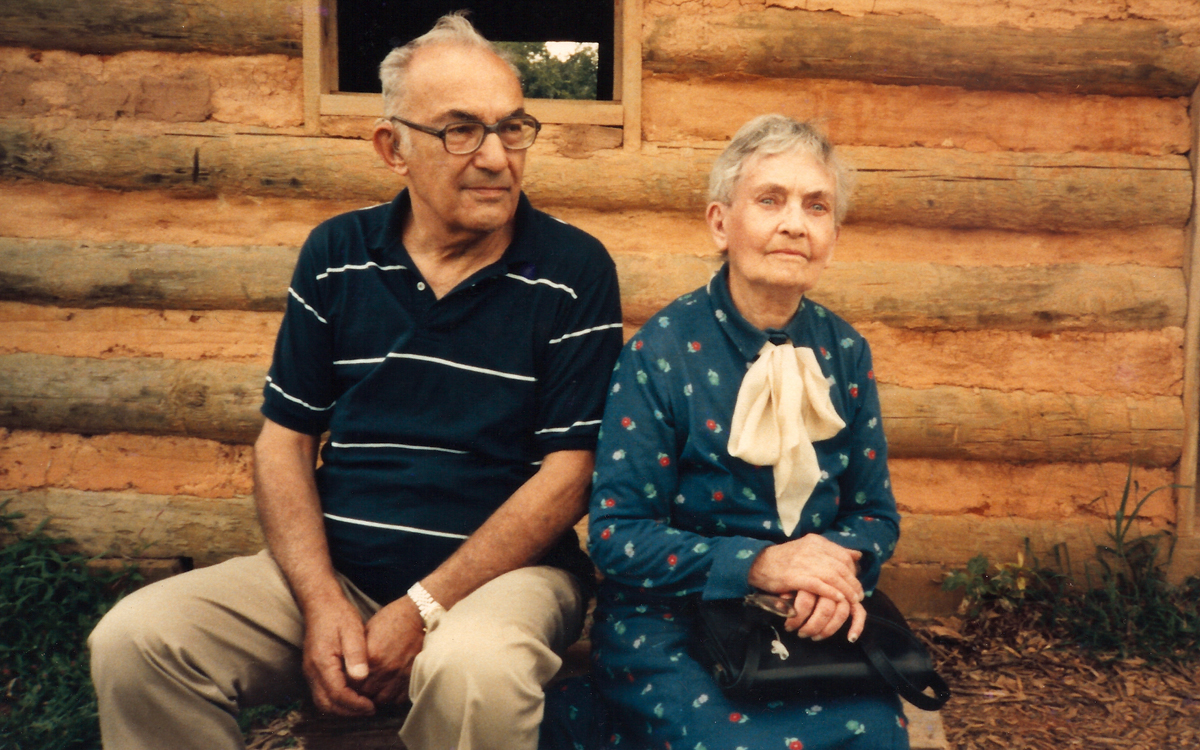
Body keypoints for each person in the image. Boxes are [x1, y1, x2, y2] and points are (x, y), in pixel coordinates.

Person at [88, 13, 623, 750]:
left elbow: (571, 474)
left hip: (505, 583)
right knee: (139, 640)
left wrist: (423, 608)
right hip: (337, 575)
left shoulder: (573, 270)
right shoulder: (336, 254)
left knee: (475, 671)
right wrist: (320, 604)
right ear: (391, 147)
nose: (498, 157)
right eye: (461, 130)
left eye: (512, 128)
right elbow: (283, 441)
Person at [543, 115, 907, 750]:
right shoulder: (661, 353)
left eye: (815, 206)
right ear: (720, 222)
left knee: (878, 736)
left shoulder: (846, 352)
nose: (795, 222)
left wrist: (829, 574)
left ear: (832, 235)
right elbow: (616, 535)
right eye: (771, 199)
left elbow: (874, 514)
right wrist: (760, 564)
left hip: (805, 627)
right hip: (673, 623)